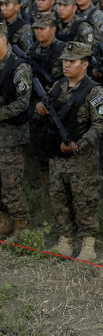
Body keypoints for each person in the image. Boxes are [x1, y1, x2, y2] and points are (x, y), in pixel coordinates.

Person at [37, 41, 103, 261]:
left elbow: (99, 126)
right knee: (59, 198)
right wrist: (40, 108)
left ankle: (88, 244)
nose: (66, 65)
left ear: (84, 64)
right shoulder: (58, 86)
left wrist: (79, 145)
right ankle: (66, 239)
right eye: (64, 61)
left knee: (84, 200)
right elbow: (49, 112)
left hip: (81, 160)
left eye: (71, 61)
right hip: (57, 157)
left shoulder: (94, 91)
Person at [0, 23, 32, 242]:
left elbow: (22, 103)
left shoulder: (18, 67)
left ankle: (21, 226)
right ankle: (4, 221)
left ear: (3, 39)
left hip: (11, 137)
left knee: (11, 183)